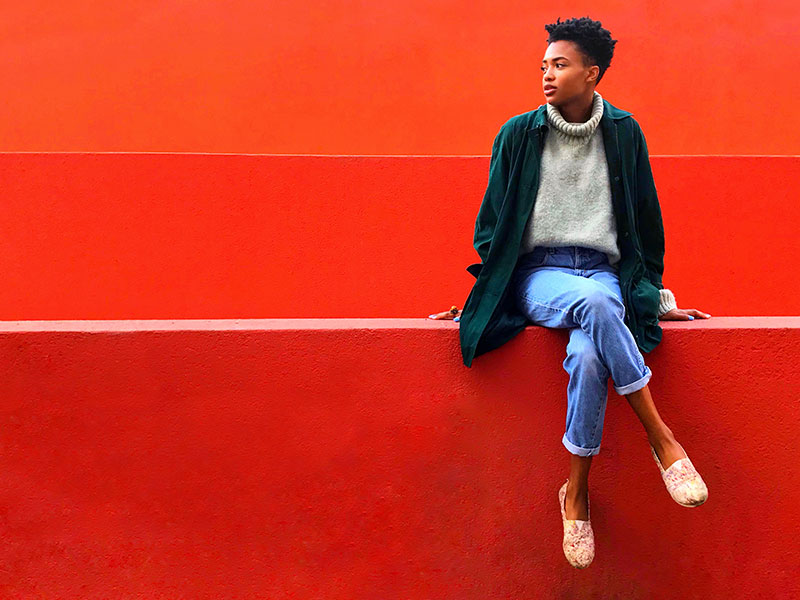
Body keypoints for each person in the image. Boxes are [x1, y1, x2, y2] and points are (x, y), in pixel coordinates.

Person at [429, 16, 711, 568]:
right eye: (543, 66)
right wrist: (484, 295)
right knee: (599, 305)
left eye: (560, 65)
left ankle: (575, 496)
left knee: (587, 355)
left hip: (601, 270)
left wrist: (650, 295)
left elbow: (646, 225)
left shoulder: (624, 133)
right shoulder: (518, 134)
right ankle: (661, 438)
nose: (547, 76)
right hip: (540, 274)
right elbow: (492, 225)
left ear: (592, 73)